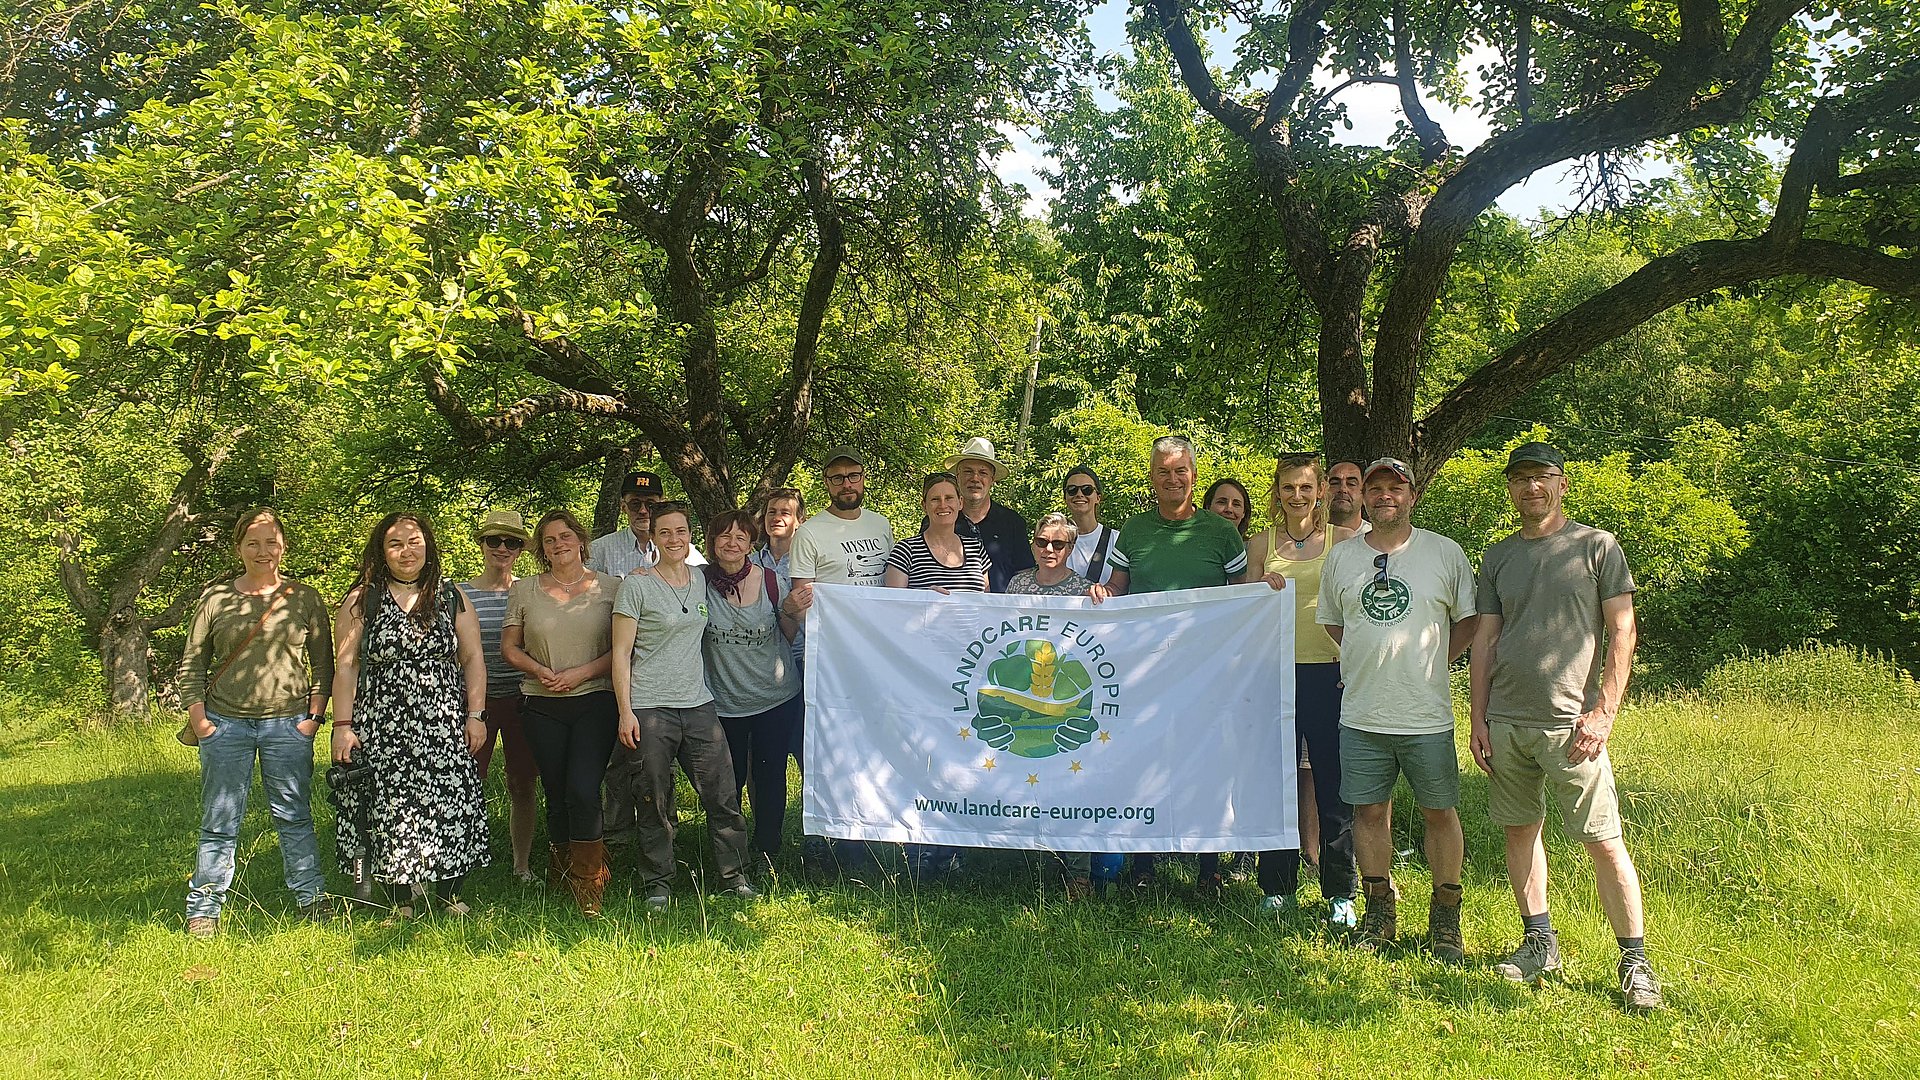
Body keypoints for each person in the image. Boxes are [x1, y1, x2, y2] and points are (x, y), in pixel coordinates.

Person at [1470, 442, 1663, 1010]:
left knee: (1603, 842)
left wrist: (1604, 711)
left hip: (1573, 725)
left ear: (1563, 483)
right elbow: (1484, 639)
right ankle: (1539, 942)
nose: (1532, 488)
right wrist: (1477, 718)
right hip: (1506, 722)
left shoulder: (1596, 546)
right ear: (1510, 488)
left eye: (1542, 477)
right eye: (1521, 479)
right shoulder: (1498, 556)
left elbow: (1622, 631)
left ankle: (1635, 961)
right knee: (1519, 831)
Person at [1107, 436, 1286, 894]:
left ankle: (1210, 868)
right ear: (1151, 478)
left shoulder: (1221, 533)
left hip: (1210, 673)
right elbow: (1118, 588)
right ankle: (1143, 867)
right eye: (1163, 471)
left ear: (1193, 475)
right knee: (1145, 760)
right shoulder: (1133, 531)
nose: (1172, 479)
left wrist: (1260, 590)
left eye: (1180, 471)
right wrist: (1102, 596)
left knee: (1208, 762)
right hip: (1146, 672)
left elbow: (1242, 596)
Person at [1318, 458, 1477, 960]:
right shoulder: (1342, 558)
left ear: (1411, 495)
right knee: (1368, 812)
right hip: (1361, 713)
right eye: (1376, 488)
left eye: (1396, 487)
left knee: (1439, 812)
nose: (1386, 495)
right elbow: (1334, 622)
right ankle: (1379, 910)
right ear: (1363, 496)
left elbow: (1468, 623)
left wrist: (1431, 663)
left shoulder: (1444, 553)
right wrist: (1367, 662)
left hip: (1424, 714)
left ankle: (1445, 918)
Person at [177, 508, 335, 937]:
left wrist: (314, 718)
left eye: (271, 542)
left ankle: (311, 897)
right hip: (225, 725)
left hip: (288, 724)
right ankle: (204, 908)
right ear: (239, 548)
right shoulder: (216, 600)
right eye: (253, 543)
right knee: (220, 819)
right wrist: (200, 720)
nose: (263, 551)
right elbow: (192, 663)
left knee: (294, 815)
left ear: (282, 546)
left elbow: (325, 664)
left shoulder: (304, 598)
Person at [330, 513, 491, 918]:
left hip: (443, 718)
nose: (407, 551)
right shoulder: (361, 600)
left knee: (454, 799)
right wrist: (343, 727)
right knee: (392, 806)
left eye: (414, 541)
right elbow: (346, 666)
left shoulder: (451, 596)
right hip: (383, 721)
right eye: (395, 543)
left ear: (428, 545)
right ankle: (402, 900)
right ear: (382, 552)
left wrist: (476, 714)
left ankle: (450, 894)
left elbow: (472, 657)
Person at [612, 503, 758, 910]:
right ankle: (658, 882)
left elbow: (741, 568)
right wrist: (625, 712)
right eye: (665, 533)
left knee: (723, 794)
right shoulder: (636, 586)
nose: (674, 539)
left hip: (699, 705)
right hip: (649, 707)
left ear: (690, 534)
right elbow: (620, 654)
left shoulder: (701, 579)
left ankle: (734, 876)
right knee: (654, 798)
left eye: (680, 531)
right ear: (653, 539)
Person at [1244, 456, 1359, 928]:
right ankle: (1276, 886)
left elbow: (1360, 606)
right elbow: (1240, 609)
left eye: (1306, 487)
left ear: (1321, 492)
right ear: (1277, 492)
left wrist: (1353, 661)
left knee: (1333, 784)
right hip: (1273, 673)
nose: (1297, 495)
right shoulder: (1259, 543)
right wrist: (1258, 588)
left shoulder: (1345, 541)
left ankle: (1340, 893)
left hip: (1329, 674)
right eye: (1288, 487)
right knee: (1277, 783)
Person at [501, 510, 618, 915]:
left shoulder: (610, 587)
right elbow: (510, 648)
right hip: (541, 701)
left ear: (581, 541)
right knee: (555, 791)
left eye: (565, 536)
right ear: (541, 550)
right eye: (549, 540)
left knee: (583, 789)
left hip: (595, 700)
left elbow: (621, 650)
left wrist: (581, 673)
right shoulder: (525, 591)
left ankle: (590, 882)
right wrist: (540, 671)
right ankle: (561, 869)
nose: (558, 544)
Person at [788, 447, 893, 875]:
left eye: (853, 475)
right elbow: (803, 595)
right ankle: (829, 841)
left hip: (875, 655)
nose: (846, 484)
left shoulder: (881, 525)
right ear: (826, 484)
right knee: (831, 748)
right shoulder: (810, 533)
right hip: (830, 657)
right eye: (837, 478)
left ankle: (867, 833)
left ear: (864, 478)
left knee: (870, 745)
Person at [886, 471, 993, 880]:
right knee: (921, 759)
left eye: (950, 497)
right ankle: (916, 850)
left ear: (960, 504)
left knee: (959, 758)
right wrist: (923, 603)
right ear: (925, 505)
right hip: (919, 673)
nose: (944, 504)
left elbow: (985, 609)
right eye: (935, 498)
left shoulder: (976, 549)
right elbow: (889, 611)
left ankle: (953, 848)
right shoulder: (906, 551)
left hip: (966, 674)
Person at [1006, 512, 1112, 898]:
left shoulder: (1086, 589)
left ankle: (1078, 873)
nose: (1049, 549)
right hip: (1023, 697)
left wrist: (1103, 600)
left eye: (1058, 544)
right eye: (1042, 542)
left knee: (1070, 785)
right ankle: (1019, 861)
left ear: (1070, 548)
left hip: (1068, 700)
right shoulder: (1017, 582)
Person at [703, 509, 803, 872]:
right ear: (712, 542)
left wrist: (789, 613)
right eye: (724, 536)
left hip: (775, 698)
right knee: (729, 782)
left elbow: (789, 630)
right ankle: (730, 853)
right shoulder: (696, 582)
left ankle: (767, 853)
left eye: (740, 537)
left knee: (770, 775)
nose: (732, 543)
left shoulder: (773, 581)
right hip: (723, 702)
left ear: (751, 543)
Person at [459, 509, 539, 884]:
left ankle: (521, 865)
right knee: (467, 782)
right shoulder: (459, 593)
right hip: (475, 704)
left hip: (524, 699)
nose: (502, 548)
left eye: (512, 542)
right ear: (482, 544)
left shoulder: (530, 591)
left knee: (523, 783)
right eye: (494, 540)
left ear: (522, 549)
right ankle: (461, 864)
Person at [944, 437, 1034, 591]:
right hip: (951, 612)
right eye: (968, 471)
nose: (975, 478)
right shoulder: (940, 520)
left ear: (992, 479)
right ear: (957, 477)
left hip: (1003, 613)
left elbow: (1025, 574)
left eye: (983, 472)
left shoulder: (1013, 523)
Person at [587, 469, 706, 579]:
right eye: (635, 503)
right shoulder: (600, 550)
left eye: (650, 504)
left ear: (661, 504)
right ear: (623, 506)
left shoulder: (681, 549)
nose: (643, 511)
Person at [1062, 466, 1118, 586]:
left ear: (1098, 497)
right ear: (1065, 498)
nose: (1079, 494)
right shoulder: (1053, 543)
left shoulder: (1117, 540)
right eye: (1072, 490)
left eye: (1087, 489)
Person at [1327, 460, 1370, 534]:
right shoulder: (1310, 535)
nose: (1343, 489)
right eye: (1335, 483)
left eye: (1351, 484)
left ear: (1364, 493)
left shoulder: (1376, 538)